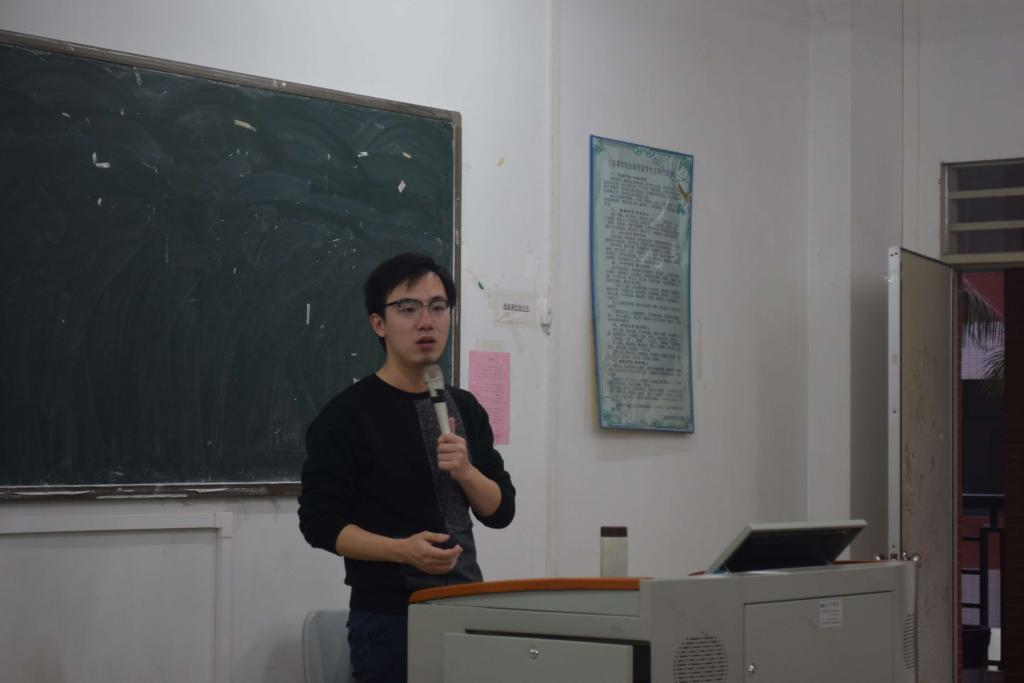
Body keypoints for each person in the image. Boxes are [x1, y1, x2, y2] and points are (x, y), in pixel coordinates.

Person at [298, 252, 515, 683]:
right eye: (408, 308)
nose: (426, 322)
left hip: (468, 606)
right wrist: (402, 550)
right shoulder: (347, 416)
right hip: (391, 620)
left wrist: (467, 471)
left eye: (438, 306)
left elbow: (501, 510)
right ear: (379, 323)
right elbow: (319, 524)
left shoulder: (465, 407)